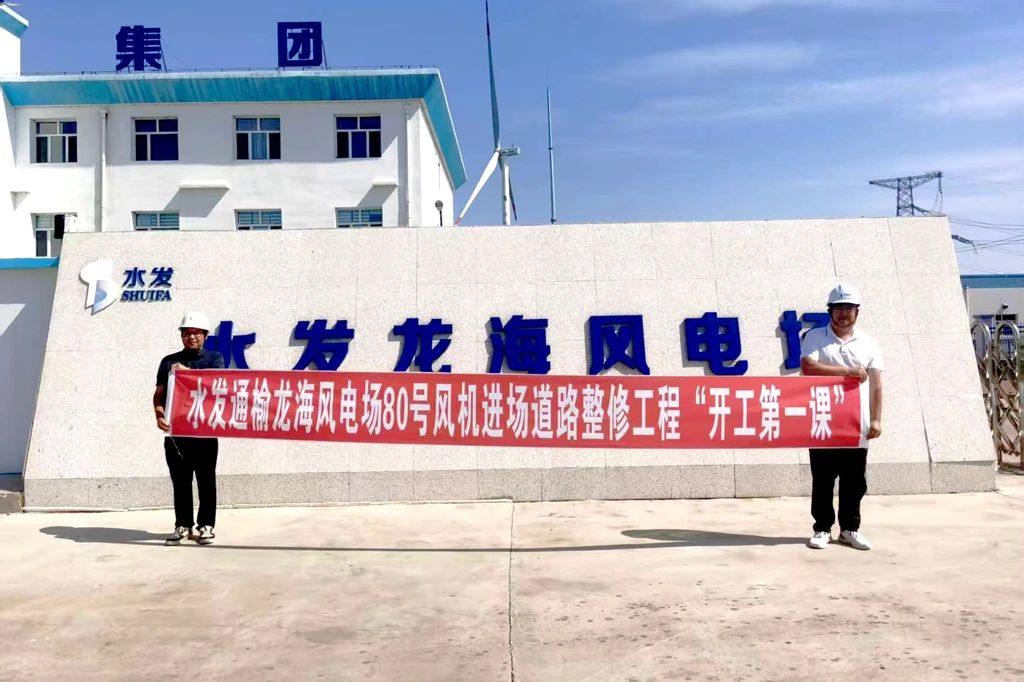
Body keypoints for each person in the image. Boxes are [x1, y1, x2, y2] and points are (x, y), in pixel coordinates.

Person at [800, 284, 883, 551]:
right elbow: (809, 367)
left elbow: (876, 385)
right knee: (823, 479)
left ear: (857, 311)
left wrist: (876, 419)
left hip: (856, 424)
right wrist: (848, 372)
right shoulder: (815, 337)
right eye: (838, 308)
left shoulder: (869, 343)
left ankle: (850, 529)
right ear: (830, 311)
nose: (843, 313)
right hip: (822, 420)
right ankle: (822, 528)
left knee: (854, 481)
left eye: (848, 308)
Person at [153, 312, 225, 546]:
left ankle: (206, 525)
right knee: (180, 482)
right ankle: (183, 525)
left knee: (206, 481)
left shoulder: (214, 359)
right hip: (176, 434)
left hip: (204, 433)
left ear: (205, 336)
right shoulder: (168, 361)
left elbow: (216, 387)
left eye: (196, 333)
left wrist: (186, 373)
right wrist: (159, 415)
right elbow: (159, 394)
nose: (191, 337)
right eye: (186, 333)